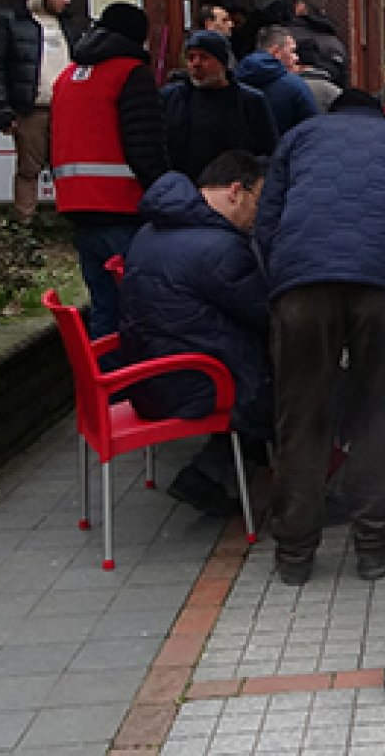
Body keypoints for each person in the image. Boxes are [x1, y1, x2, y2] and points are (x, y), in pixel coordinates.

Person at [256, 89, 385, 586]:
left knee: (300, 414)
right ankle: (375, 545)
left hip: (302, 284)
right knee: (377, 412)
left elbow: (267, 221)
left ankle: (294, 553)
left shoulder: (297, 138)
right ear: (381, 111)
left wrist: (283, 272)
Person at [118, 150, 271, 519]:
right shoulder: (218, 248)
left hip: (151, 373)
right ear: (237, 191)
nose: (259, 216)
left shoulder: (152, 229)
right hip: (191, 380)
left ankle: (217, 472)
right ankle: (313, 489)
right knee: (297, 385)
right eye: (259, 201)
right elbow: (266, 313)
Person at [49, 2, 168, 338]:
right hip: (122, 205)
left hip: (77, 206)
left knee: (104, 306)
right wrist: (167, 197)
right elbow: (145, 147)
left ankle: (107, 381)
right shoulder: (130, 74)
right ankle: (137, 383)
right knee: (139, 308)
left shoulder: (68, 77)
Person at [0, 0, 84, 223]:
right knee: (29, 169)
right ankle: (24, 223)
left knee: (67, 168)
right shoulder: (9, 21)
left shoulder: (71, 26)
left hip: (67, 108)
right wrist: (3, 108)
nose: (67, 0)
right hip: (31, 107)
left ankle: (72, 219)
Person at [162, 30, 279, 179]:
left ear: (222, 63)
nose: (196, 64)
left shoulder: (251, 101)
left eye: (204, 57)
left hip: (231, 190)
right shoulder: (171, 98)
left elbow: (268, 151)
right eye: (191, 57)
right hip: (182, 189)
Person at [235, 26, 319, 137]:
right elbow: (312, 129)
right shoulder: (295, 86)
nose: (296, 58)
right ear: (276, 52)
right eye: (292, 51)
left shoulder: (235, 81)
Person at [289, 0, 350, 88]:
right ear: (322, 10)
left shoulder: (287, 37)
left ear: (300, 7)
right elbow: (343, 81)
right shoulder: (336, 43)